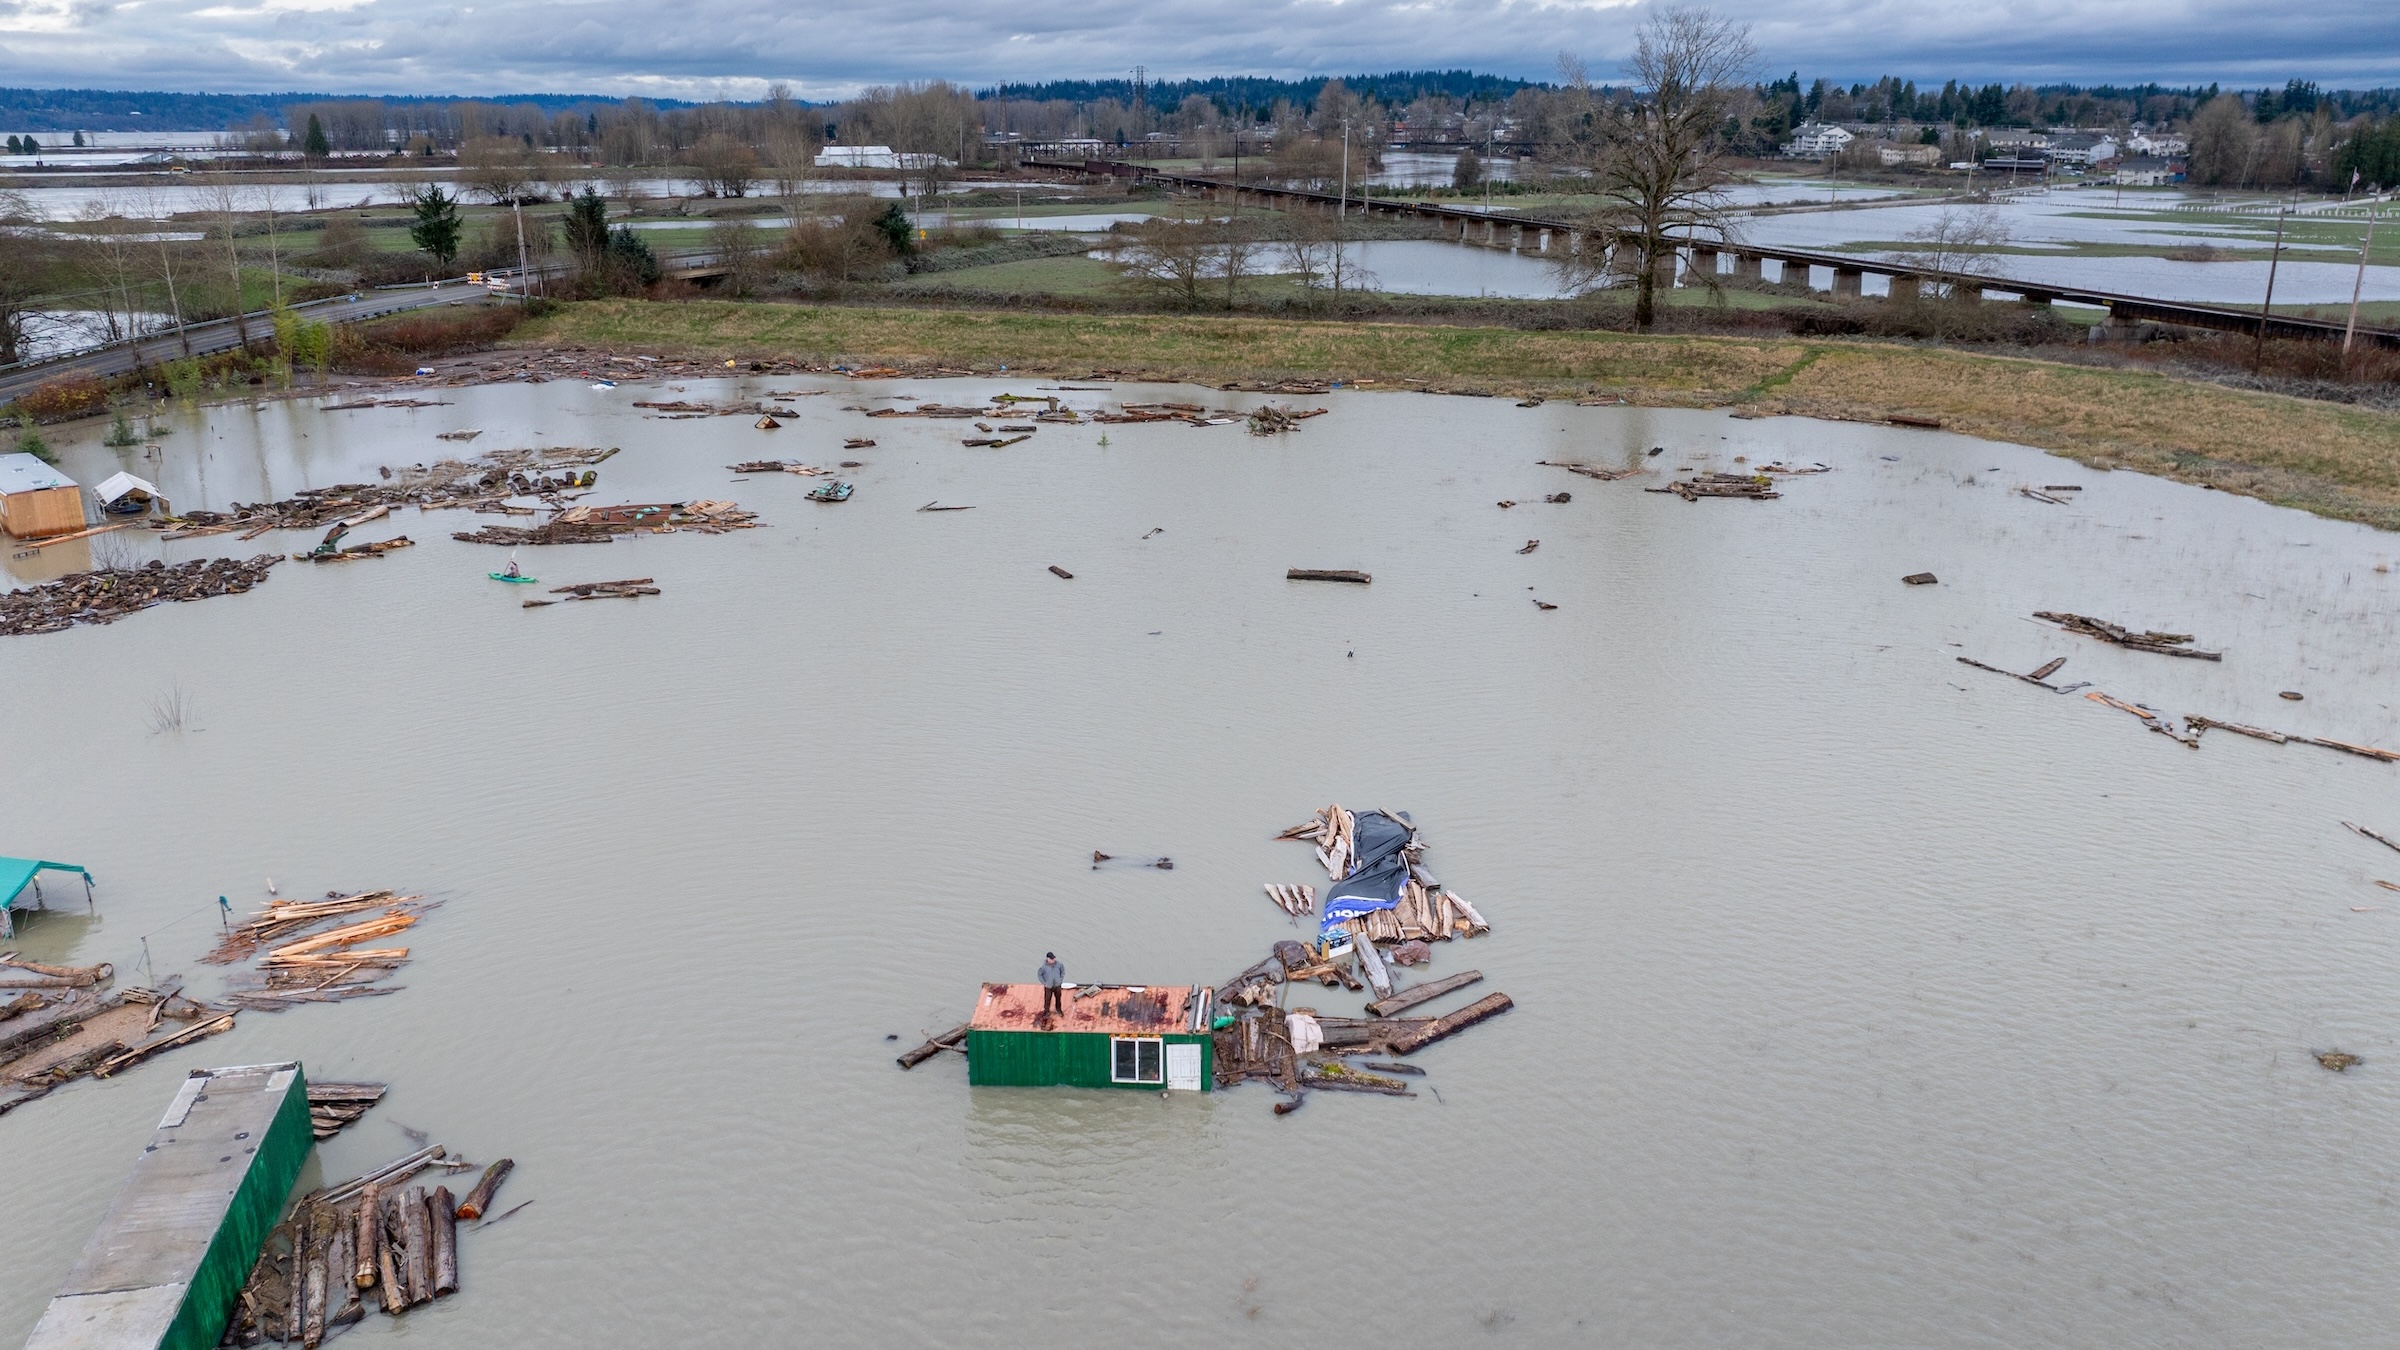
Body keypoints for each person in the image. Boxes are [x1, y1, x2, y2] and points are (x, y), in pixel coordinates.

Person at [1038, 952, 1065, 1017]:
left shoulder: (1059, 965)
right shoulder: (1043, 967)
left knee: (1058, 998)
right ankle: (1046, 1011)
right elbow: (1039, 975)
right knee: (1047, 999)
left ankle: (1058, 1009)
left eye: (1054, 958)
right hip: (1048, 986)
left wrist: (1060, 980)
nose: (1053, 960)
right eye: (1052, 959)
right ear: (1048, 959)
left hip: (1057, 985)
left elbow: (1062, 971)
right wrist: (1044, 983)